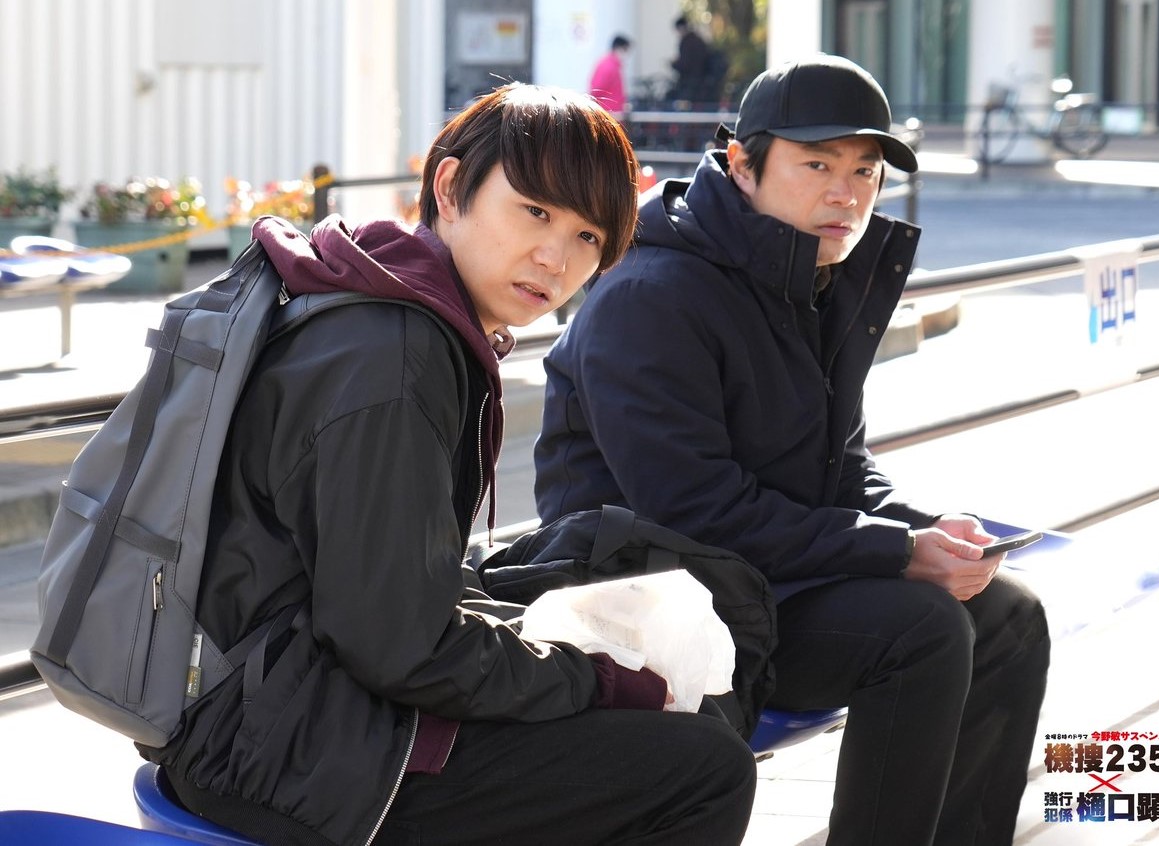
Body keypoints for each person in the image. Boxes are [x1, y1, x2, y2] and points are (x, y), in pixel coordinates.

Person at [138, 83, 757, 846]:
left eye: (588, 236)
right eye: (535, 211)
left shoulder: (380, 304)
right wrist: (595, 676)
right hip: (283, 748)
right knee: (704, 768)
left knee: (652, 717)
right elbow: (401, 647)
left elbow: (391, 605)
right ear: (451, 187)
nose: (555, 257)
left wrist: (565, 655)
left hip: (270, 705)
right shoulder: (394, 357)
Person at [534, 55, 1051, 846]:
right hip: (645, 599)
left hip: (762, 580)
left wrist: (927, 531)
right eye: (817, 164)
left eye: (865, 171)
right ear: (742, 164)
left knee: (1008, 612)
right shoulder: (650, 294)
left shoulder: (809, 273)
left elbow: (841, 469)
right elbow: (694, 512)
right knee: (919, 630)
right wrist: (897, 552)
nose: (846, 193)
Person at [589, 34, 632, 115]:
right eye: (626, 50)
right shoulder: (608, 66)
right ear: (619, 48)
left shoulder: (613, 65)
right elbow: (596, 91)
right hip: (607, 115)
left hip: (611, 114)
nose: (627, 55)